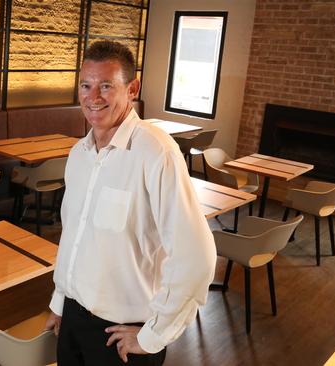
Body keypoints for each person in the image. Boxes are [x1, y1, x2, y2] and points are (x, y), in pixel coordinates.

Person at [44, 40, 217, 365]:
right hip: (72, 320)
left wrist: (153, 335)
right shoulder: (78, 154)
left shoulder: (155, 151)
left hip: (122, 333)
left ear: (132, 89)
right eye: (86, 85)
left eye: (106, 86)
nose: (93, 97)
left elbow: (198, 258)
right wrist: (59, 301)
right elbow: (73, 238)